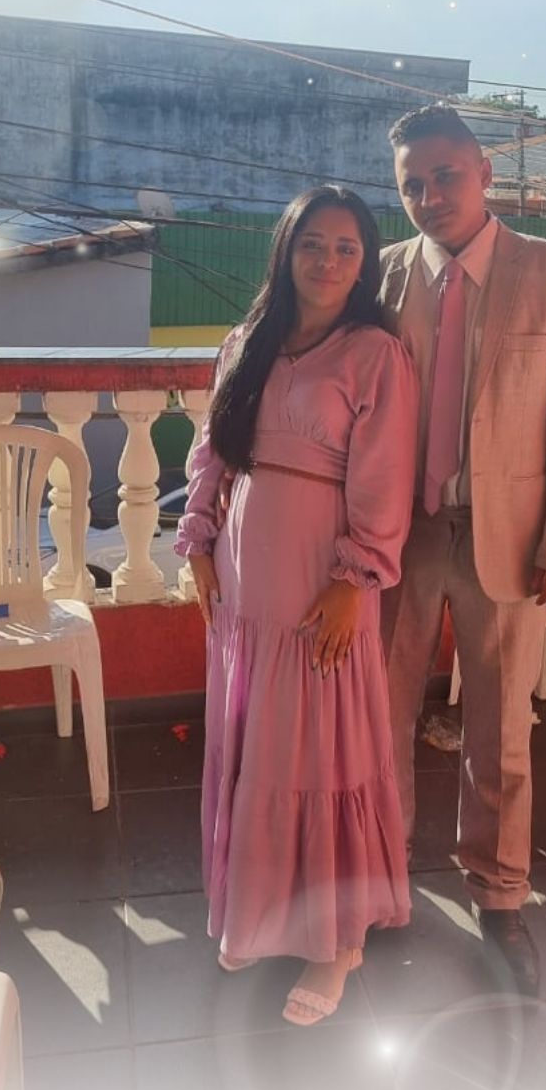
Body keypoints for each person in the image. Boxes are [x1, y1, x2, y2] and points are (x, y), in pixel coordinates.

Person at [176, 185, 418, 1026]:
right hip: (245, 580)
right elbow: (213, 451)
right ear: (286, 250)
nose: (328, 261)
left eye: (347, 248)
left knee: (321, 753)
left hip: (325, 579)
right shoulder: (247, 341)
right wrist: (197, 542)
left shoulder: (376, 354)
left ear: (366, 261)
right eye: (313, 243)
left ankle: (334, 944)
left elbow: (385, 480)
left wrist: (355, 579)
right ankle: (259, 913)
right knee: (256, 748)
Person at [380, 103, 546, 996]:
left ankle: (501, 895)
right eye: (411, 184)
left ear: (484, 174)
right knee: (378, 718)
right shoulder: (379, 277)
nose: (430, 196)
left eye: (445, 176)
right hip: (397, 535)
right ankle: (380, 878)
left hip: (505, 537)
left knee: (501, 731)